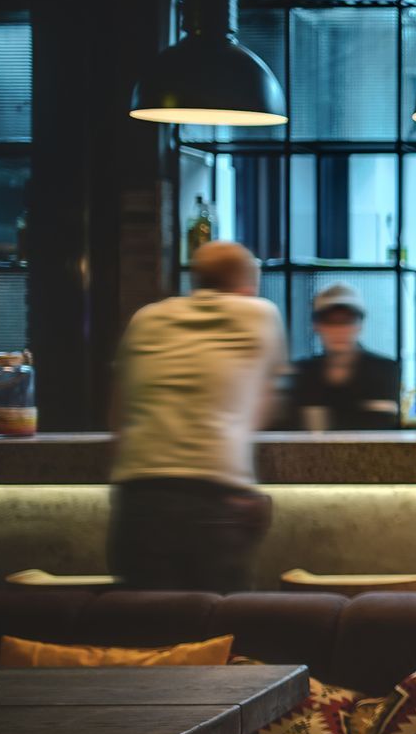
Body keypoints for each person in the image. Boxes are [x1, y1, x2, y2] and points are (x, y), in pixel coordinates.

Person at [107, 240, 286, 591]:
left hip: (138, 498)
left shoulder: (146, 319)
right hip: (211, 497)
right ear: (247, 287)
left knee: (145, 634)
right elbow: (264, 405)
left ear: (194, 282)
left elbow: (118, 415)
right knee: (216, 629)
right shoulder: (258, 314)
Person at [284, 282, 402, 431]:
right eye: (330, 322)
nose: (339, 330)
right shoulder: (303, 373)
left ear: (360, 325)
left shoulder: (383, 370)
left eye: (347, 321)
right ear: (317, 326)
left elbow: (383, 428)